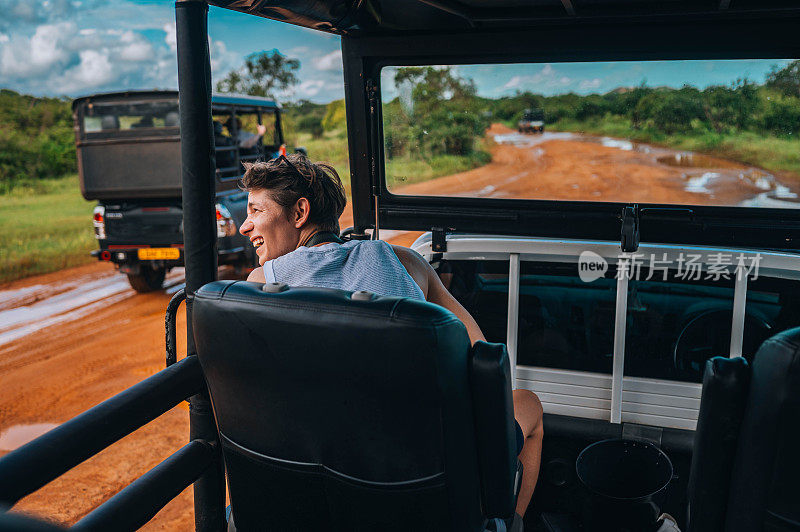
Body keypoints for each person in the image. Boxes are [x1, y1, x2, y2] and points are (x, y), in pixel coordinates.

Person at [240, 154, 543, 520]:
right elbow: (479, 352)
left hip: (315, 473)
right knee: (528, 404)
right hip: (429, 473)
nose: (244, 226)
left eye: (255, 210)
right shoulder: (404, 261)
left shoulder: (260, 286)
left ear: (300, 212)